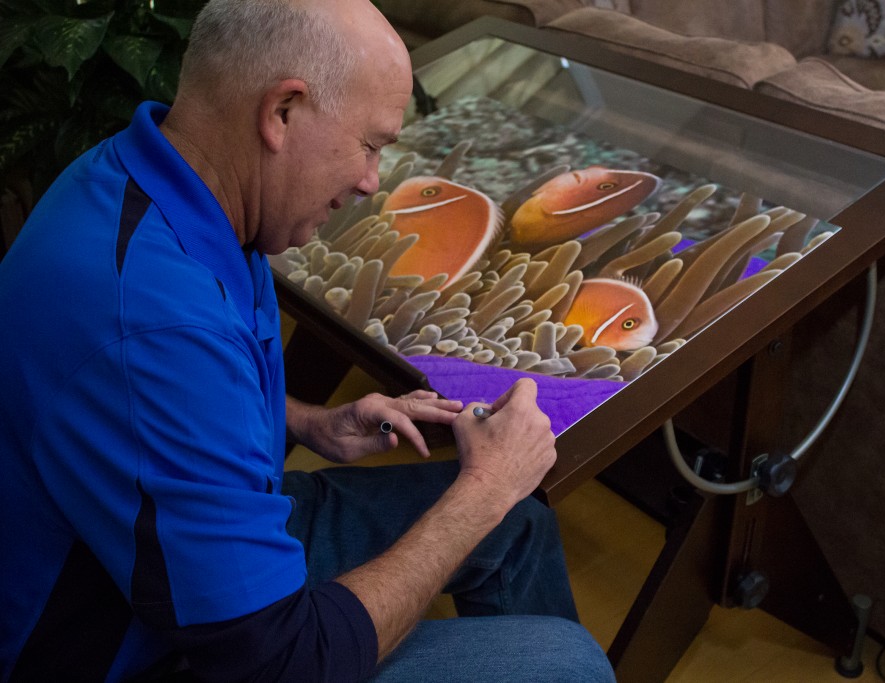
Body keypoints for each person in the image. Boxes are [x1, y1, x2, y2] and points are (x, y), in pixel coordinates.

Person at [0, 0, 616, 681]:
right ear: (282, 112)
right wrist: (484, 490)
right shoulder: (154, 318)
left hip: (180, 537)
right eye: (371, 145)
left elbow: (148, 402)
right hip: (137, 642)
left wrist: (310, 419)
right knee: (567, 659)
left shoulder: (143, 178)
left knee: (517, 525)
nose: (371, 181)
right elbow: (281, 660)